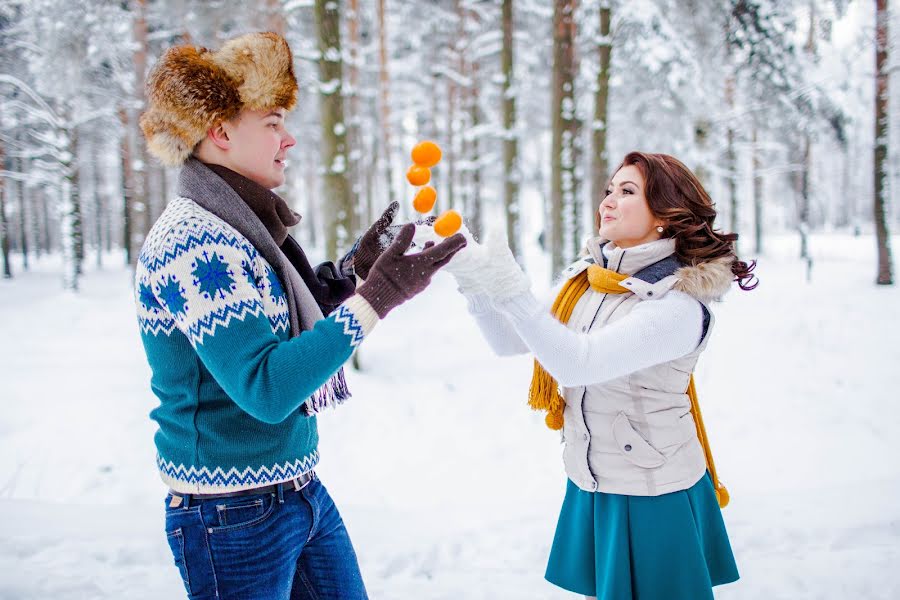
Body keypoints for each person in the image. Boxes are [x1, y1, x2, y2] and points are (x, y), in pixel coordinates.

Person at [134, 32, 465, 599]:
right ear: (220, 131)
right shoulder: (194, 243)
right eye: (272, 121)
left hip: (298, 491)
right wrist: (377, 298)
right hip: (230, 516)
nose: (288, 139)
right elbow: (265, 384)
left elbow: (272, 321)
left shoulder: (240, 227)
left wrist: (351, 279)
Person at [446, 151, 755, 599]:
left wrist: (513, 289)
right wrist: (473, 279)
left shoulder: (679, 306)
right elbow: (511, 342)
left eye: (627, 192)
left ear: (665, 217)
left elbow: (577, 362)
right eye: (609, 189)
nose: (608, 200)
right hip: (595, 479)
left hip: (654, 495)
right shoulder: (587, 280)